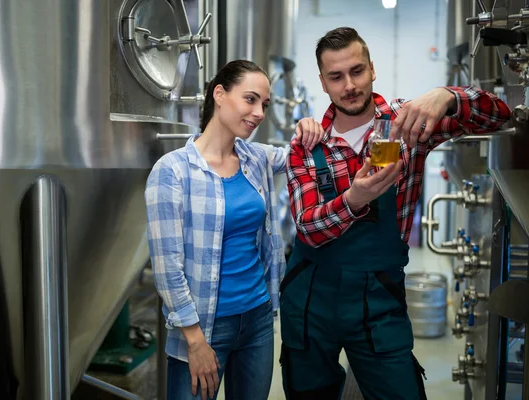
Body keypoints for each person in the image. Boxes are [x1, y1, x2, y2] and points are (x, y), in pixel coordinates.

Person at [279, 27, 511, 400]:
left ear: (372, 68)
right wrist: (354, 199)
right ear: (323, 83)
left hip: (379, 296)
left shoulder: (410, 124)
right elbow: (308, 228)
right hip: (309, 299)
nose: (349, 85)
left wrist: (447, 97)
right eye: (336, 77)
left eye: (357, 71)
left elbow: (500, 117)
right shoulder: (307, 145)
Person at [145, 59, 323, 400]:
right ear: (220, 94)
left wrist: (310, 128)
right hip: (203, 326)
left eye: (265, 105)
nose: (258, 113)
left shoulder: (255, 158)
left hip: (257, 319)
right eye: (250, 99)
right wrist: (195, 342)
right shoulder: (172, 171)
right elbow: (167, 269)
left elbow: (301, 155)